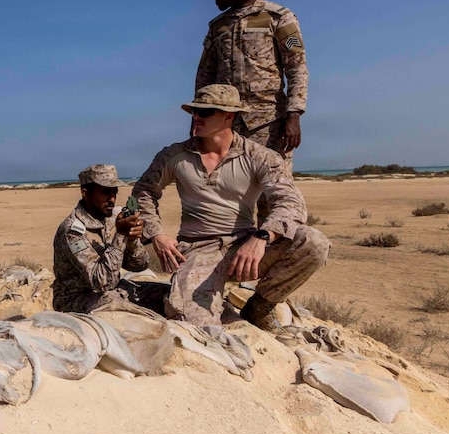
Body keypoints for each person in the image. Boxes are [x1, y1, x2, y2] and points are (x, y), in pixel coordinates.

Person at [131, 85, 330, 330]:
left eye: (205, 112)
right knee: (192, 325)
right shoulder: (174, 155)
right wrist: (156, 234)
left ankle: (260, 307)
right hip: (197, 250)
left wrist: (262, 237)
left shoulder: (260, 157)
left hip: (245, 249)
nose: (196, 117)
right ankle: (196, 295)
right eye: (194, 111)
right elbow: (140, 194)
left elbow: (291, 203)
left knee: (313, 242)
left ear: (229, 116)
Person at [195, 0, 308, 169]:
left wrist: (294, 116)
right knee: (227, 194)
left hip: (268, 123)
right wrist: (199, 117)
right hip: (224, 124)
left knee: (273, 194)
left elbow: (297, 67)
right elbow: (205, 75)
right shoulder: (218, 26)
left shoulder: (278, 18)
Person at [52, 165, 168, 315]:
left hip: (112, 289)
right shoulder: (72, 232)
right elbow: (102, 282)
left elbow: (139, 266)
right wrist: (120, 235)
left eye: (114, 193)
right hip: (75, 299)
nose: (112, 199)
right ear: (86, 194)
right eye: (105, 193)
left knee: (167, 293)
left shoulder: (112, 218)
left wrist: (132, 240)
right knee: (117, 304)